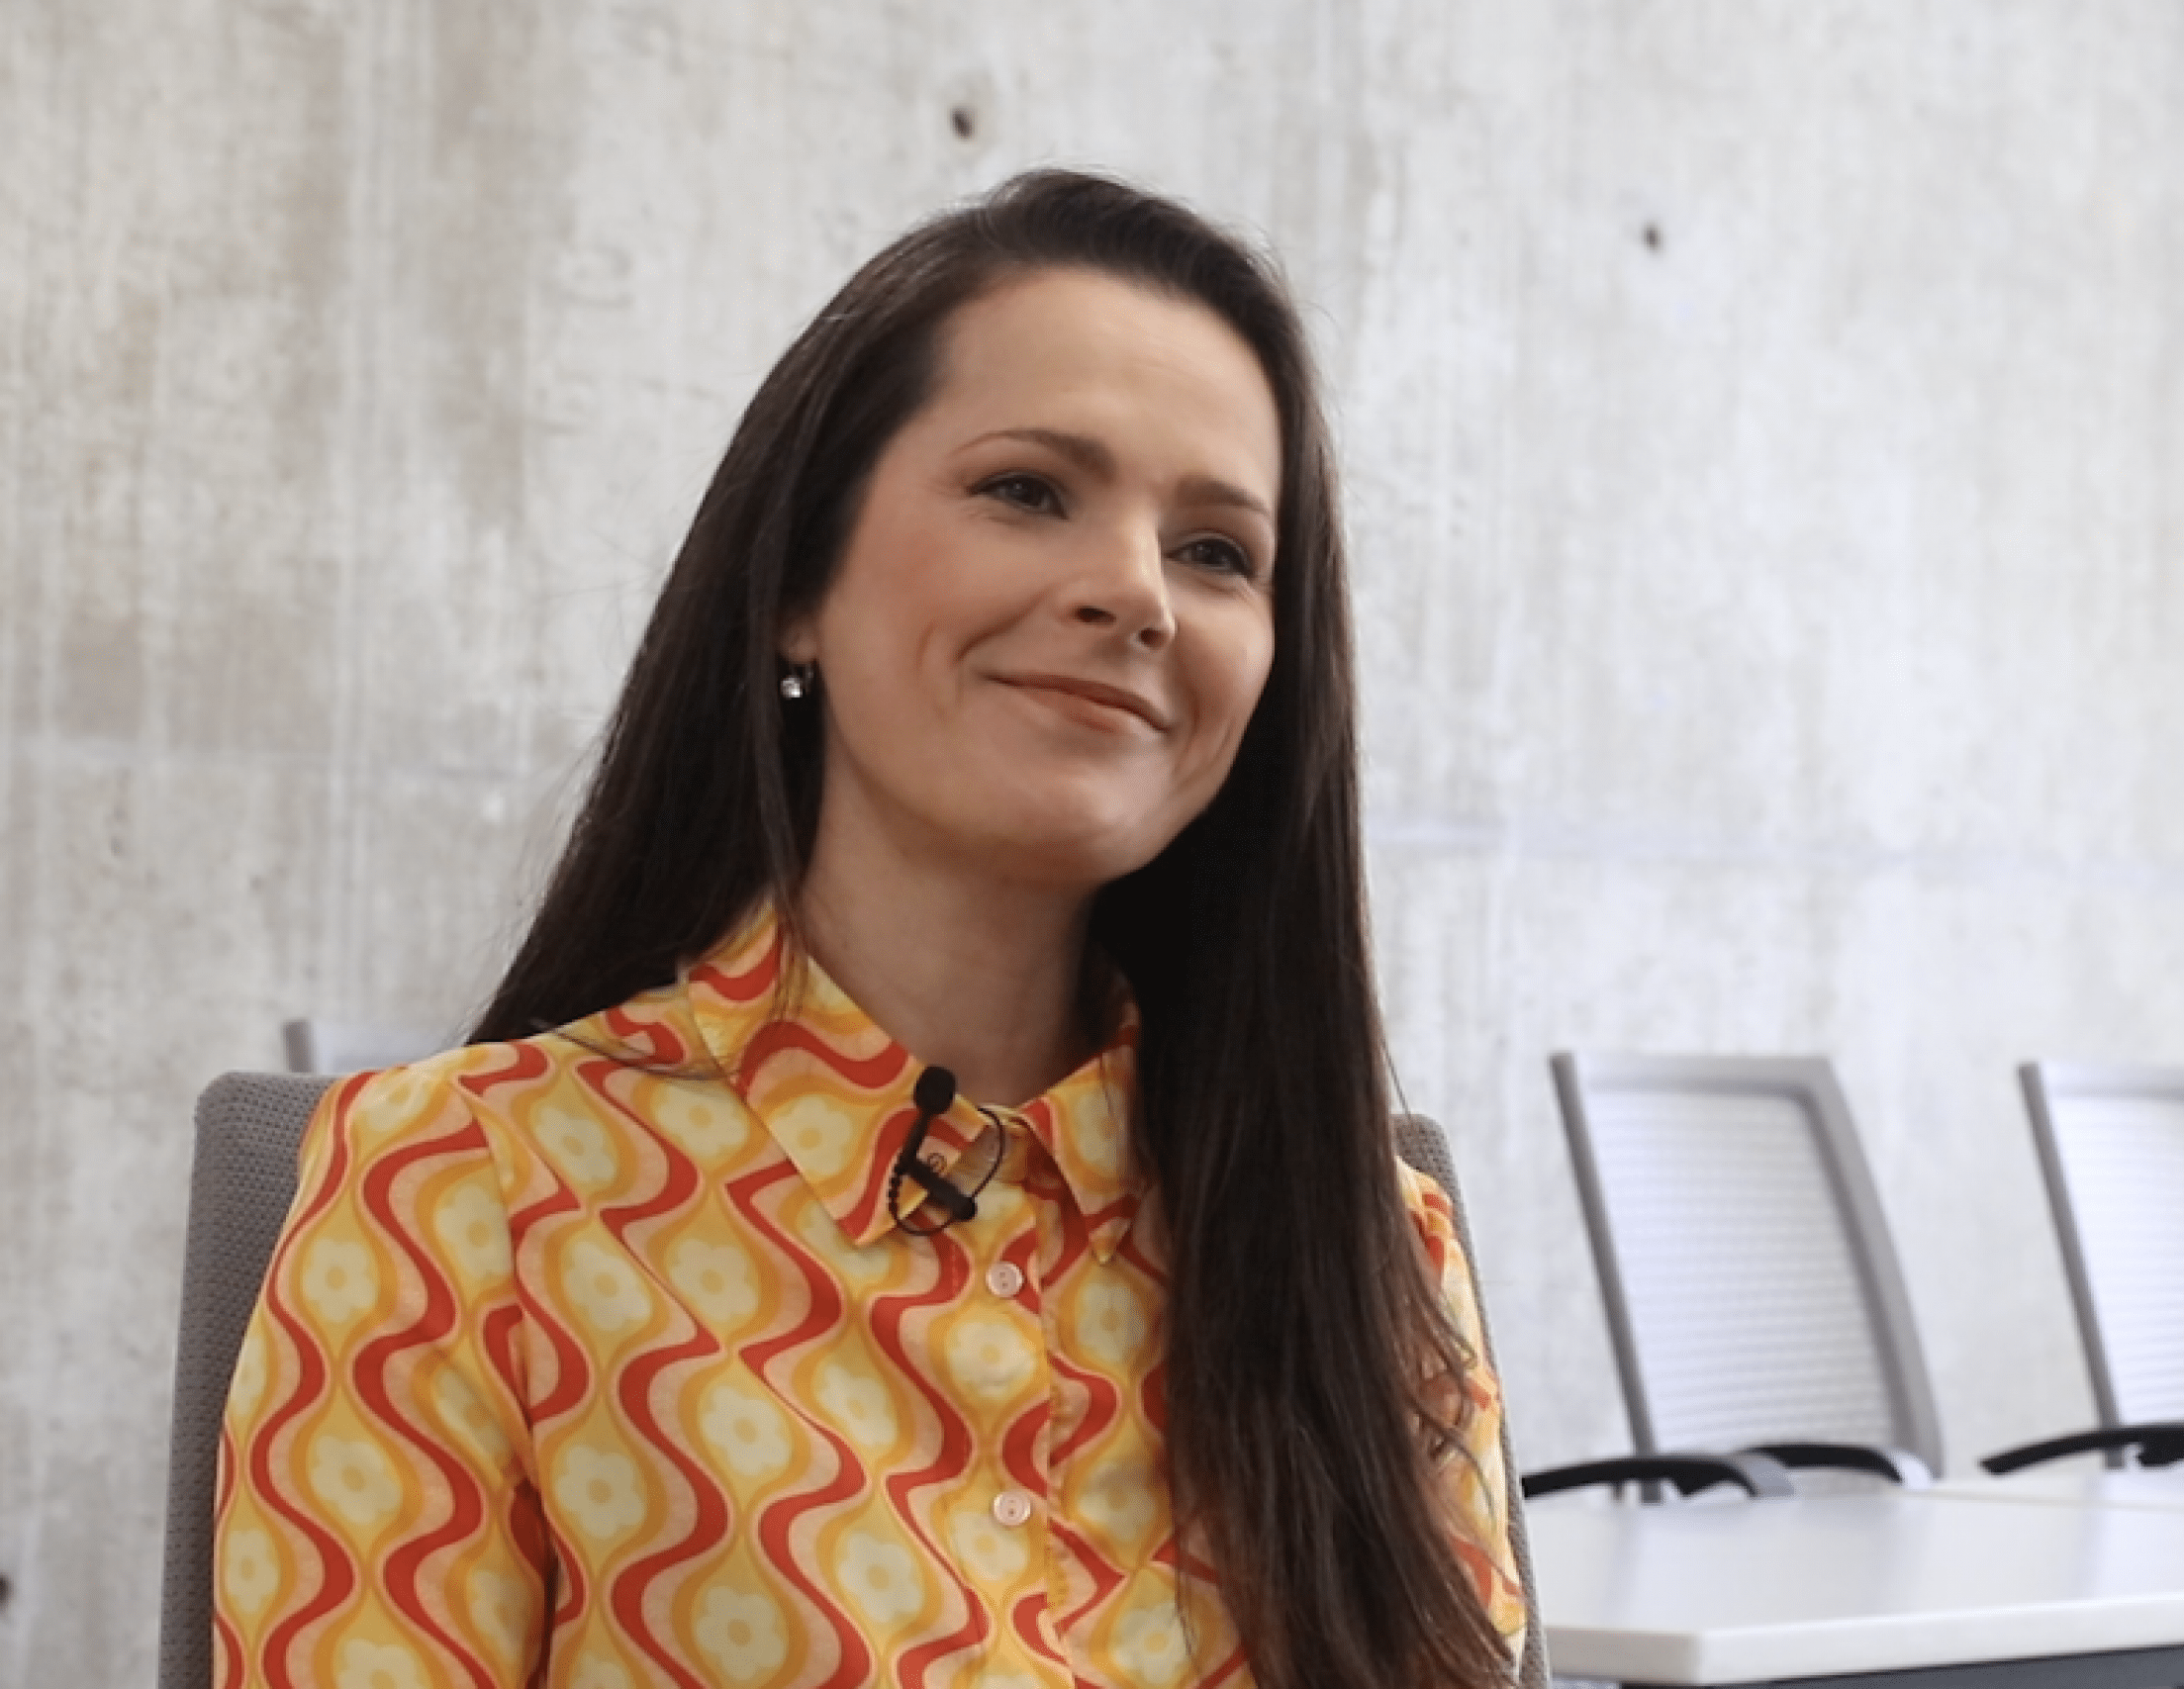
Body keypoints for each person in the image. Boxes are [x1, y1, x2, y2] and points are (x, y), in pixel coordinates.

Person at [213, 170, 1526, 1689]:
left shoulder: (1372, 1240)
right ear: (797, 588)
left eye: (1218, 551)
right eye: (1027, 489)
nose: (1134, 592)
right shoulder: (467, 1196)